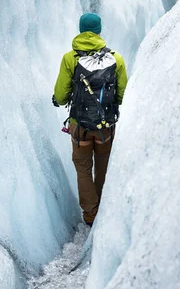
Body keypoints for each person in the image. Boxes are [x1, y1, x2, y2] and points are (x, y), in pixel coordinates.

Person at [52, 13, 128, 226]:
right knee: (103, 166)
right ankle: (103, 208)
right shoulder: (116, 59)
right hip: (105, 127)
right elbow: (122, 93)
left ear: (80, 29)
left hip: (80, 126)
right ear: (99, 31)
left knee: (83, 168)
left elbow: (60, 94)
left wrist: (59, 100)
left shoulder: (71, 58)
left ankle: (90, 215)